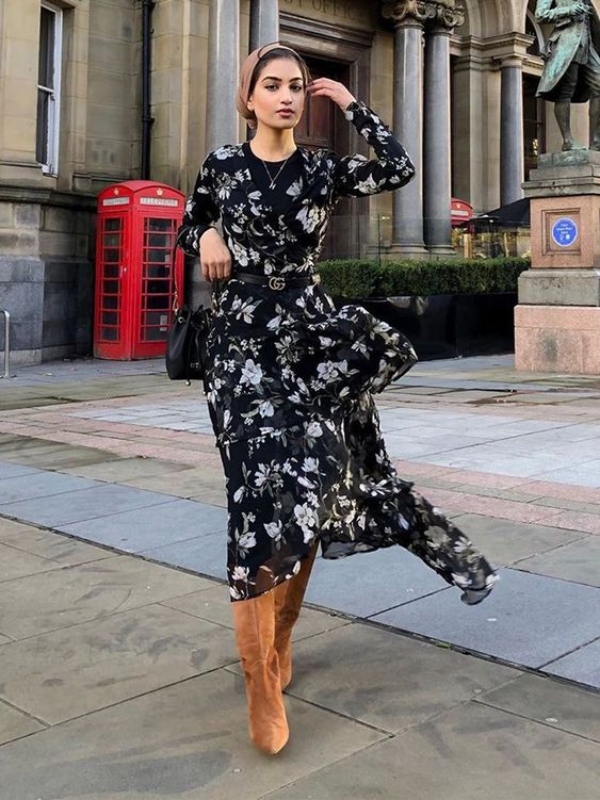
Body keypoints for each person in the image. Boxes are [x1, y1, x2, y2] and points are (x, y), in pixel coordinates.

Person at [177, 43, 498, 756]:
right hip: (240, 345)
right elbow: (189, 221)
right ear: (249, 98)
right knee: (257, 500)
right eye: (272, 85)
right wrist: (206, 234)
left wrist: (350, 104)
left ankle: (281, 636)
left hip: (312, 343)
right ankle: (259, 680)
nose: (287, 96)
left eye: (296, 86)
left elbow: (399, 168)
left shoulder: (321, 168)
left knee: (311, 489)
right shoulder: (221, 165)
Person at [535, 0, 600, 150]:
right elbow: (540, 15)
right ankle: (567, 140)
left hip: (588, 45)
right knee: (565, 91)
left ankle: (596, 141)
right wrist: (569, 10)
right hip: (567, 43)